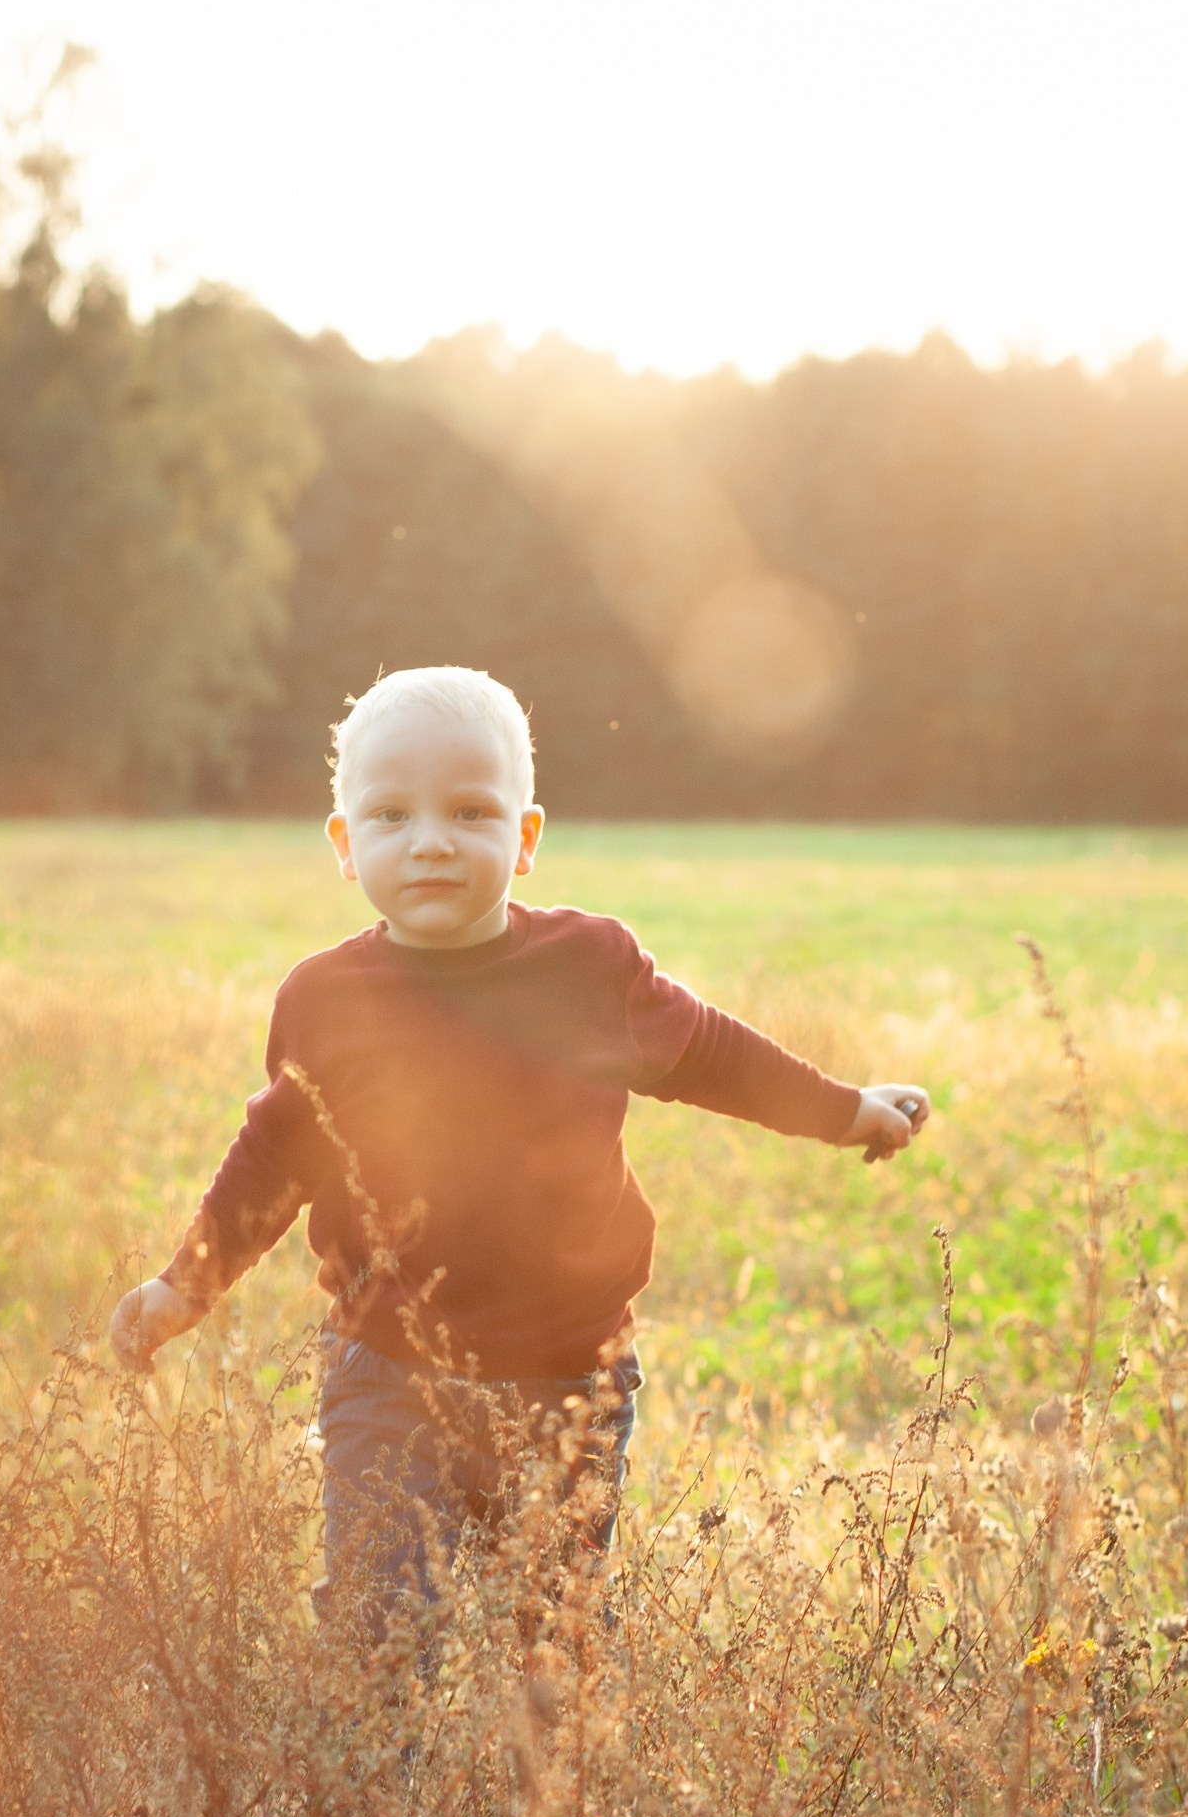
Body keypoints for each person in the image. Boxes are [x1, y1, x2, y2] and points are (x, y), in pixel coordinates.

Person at [109, 666, 929, 1636]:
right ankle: (371, 1792)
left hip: (568, 1376)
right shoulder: (323, 1001)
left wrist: (846, 1112)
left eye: (468, 811)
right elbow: (272, 1160)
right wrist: (183, 1285)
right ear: (343, 845)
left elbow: (717, 1057)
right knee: (376, 1631)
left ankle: (542, 1787)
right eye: (389, 815)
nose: (429, 842)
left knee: (551, 1640)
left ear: (524, 837)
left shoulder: (588, 968)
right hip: (388, 1374)